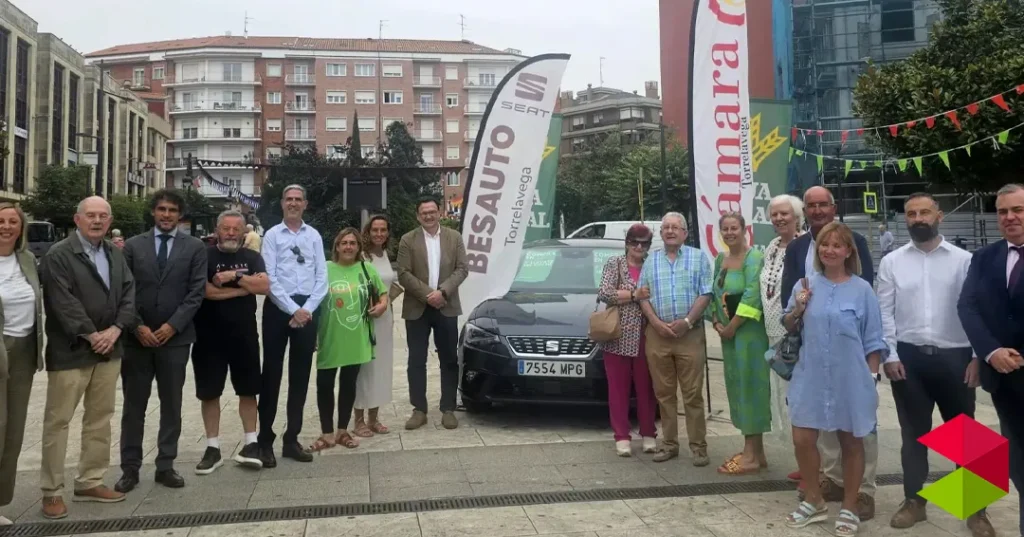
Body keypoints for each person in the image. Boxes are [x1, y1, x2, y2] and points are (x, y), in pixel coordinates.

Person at [878, 192, 993, 537]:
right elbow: (884, 312)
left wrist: (976, 356)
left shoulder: (964, 260)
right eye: (911, 213)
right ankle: (914, 501)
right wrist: (891, 355)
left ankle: (976, 510)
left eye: (924, 212)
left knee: (966, 436)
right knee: (914, 435)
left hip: (956, 358)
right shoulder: (892, 262)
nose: (917, 218)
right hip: (909, 360)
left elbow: (975, 311)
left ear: (939, 215)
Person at [782, 222, 886, 537]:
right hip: (810, 374)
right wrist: (798, 307)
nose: (829, 250)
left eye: (837, 245)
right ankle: (814, 500)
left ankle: (850, 506)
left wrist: (871, 377)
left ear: (848, 251)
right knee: (802, 438)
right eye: (825, 244)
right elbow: (787, 324)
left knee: (851, 442)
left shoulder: (862, 289)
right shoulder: (806, 284)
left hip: (851, 377)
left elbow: (874, 339)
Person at [37, 196, 136, 519]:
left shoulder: (113, 253)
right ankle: (52, 491)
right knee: (58, 421)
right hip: (71, 351)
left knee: (100, 418)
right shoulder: (59, 255)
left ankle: (90, 480)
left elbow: (129, 293)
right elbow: (62, 301)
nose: (97, 221)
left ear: (109, 222)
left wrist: (117, 329)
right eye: (90, 215)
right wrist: (93, 335)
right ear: (77, 219)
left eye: (103, 216)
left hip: (109, 350)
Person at [115, 190, 207, 493]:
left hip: (175, 340)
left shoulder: (194, 247)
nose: (167, 215)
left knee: (171, 405)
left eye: (172, 210)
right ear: (153, 212)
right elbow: (123, 291)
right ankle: (130, 468)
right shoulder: (131, 246)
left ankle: (166, 465)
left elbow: (195, 293)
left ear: (180, 215)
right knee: (134, 407)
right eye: (162, 210)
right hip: (136, 340)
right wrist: (138, 326)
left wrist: (172, 326)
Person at [958, 183, 1024, 537]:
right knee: (1018, 461)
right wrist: (992, 351)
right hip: (1002, 376)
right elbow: (967, 307)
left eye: (1018, 210)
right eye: (1002, 212)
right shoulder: (985, 258)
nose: (1010, 217)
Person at [192, 211, 270, 474]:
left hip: (244, 335)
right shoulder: (204, 255)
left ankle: (251, 443)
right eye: (226, 228)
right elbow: (206, 291)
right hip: (208, 336)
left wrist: (234, 277)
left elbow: (264, 287)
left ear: (243, 231)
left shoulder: (251, 256)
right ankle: (212, 448)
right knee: (209, 392)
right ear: (217, 230)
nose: (231, 233)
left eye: (236, 229)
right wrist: (243, 288)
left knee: (248, 390)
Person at [259, 184, 327, 465]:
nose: (294, 203)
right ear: (282, 203)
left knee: (300, 376)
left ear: (305, 204)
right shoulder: (272, 236)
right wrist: (293, 309)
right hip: (278, 309)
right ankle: (265, 440)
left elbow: (322, 276)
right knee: (271, 374)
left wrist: (306, 309)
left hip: (307, 310)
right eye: (289, 199)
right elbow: (269, 277)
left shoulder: (314, 236)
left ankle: (292, 438)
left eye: (298, 199)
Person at [638, 212, 713, 465]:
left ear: (684, 233)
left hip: (689, 334)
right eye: (665, 227)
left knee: (692, 393)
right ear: (661, 234)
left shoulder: (698, 257)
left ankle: (698, 447)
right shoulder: (651, 261)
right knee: (664, 394)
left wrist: (687, 322)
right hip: (657, 335)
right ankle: (669, 444)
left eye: (675, 227)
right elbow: (642, 296)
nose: (670, 231)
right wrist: (656, 324)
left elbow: (706, 293)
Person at [308, 228, 388, 452]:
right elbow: (312, 300)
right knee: (324, 384)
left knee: (348, 384)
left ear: (358, 247)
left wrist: (382, 305)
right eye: (344, 243)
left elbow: (383, 294)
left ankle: (343, 431)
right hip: (329, 335)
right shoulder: (325, 268)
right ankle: (327, 433)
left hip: (357, 336)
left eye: (352, 243)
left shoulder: (366, 268)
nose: (348, 247)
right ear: (337, 247)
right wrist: (311, 332)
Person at [397, 197, 468, 430]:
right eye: (423, 212)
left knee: (449, 359)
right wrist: (429, 294)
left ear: (440, 213)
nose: (428, 216)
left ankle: (448, 408)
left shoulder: (454, 238)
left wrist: (443, 293)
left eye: (432, 211)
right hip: (418, 308)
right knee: (416, 360)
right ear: (418, 216)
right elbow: (404, 273)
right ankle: (419, 410)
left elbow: (462, 269)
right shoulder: (408, 240)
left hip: (446, 306)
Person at [709, 212, 772, 474]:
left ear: (744, 230)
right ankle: (755, 452)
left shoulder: (754, 258)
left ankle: (751, 453)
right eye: (725, 229)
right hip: (728, 336)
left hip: (749, 334)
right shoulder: (720, 259)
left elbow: (752, 295)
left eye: (734, 228)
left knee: (751, 387)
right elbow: (714, 291)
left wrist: (733, 326)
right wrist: (715, 321)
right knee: (736, 385)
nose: (730, 233)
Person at [596, 223, 657, 457]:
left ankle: (649, 433)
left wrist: (625, 296)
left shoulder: (653, 264)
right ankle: (621, 436)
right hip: (617, 335)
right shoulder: (615, 263)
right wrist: (634, 295)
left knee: (647, 388)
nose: (639, 247)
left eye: (644, 243)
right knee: (618, 389)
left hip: (648, 334)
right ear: (627, 243)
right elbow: (604, 292)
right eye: (634, 242)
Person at [0, 203, 43, 526]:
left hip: (24, 351)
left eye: (13, 221)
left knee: (13, 432)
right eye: (0, 221)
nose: (6, 226)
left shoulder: (26, 259)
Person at [761, 194, 805, 484]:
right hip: (773, 335)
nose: (778, 219)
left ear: (797, 216)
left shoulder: (806, 246)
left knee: (802, 401)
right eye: (774, 214)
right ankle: (805, 462)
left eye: (784, 214)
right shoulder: (772, 247)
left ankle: (819, 467)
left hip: (799, 336)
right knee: (786, 401)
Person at [353, 215, 401, 437]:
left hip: (385, 319)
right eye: (375, 230)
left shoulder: (385, 255)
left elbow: (388, 284)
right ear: (368, 232)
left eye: (383, 230)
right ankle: (359, 420)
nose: (379, 234)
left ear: (388, 233)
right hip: (366, 319)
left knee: (381, 369)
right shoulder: (361, 256)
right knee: (364, 369)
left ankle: (374, 418)